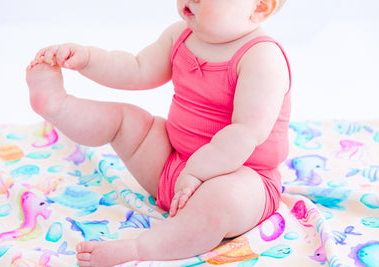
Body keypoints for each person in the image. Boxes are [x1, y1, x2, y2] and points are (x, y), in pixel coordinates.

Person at [26, 0, 291, 265]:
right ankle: (57, 105)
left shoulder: (262, 58)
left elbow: (245, 133)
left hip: (244, 177)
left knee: (223, 198)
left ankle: (141, 249)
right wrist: (88, 59)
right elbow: (136, 69)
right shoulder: (180, 35)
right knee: (126, 120)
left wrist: (197, 173)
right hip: (172, 167)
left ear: (259, 7)